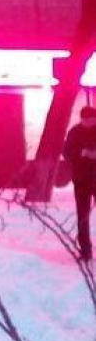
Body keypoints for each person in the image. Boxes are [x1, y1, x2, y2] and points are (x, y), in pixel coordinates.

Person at [63, 106, 96, 261]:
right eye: (86, 119)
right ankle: (85, 250)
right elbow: (67, 153)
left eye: (92, 119)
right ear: (81, 118)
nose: (89, 122)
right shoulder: (74, 132)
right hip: (81, 179)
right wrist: (81, 154)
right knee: (82, 215)